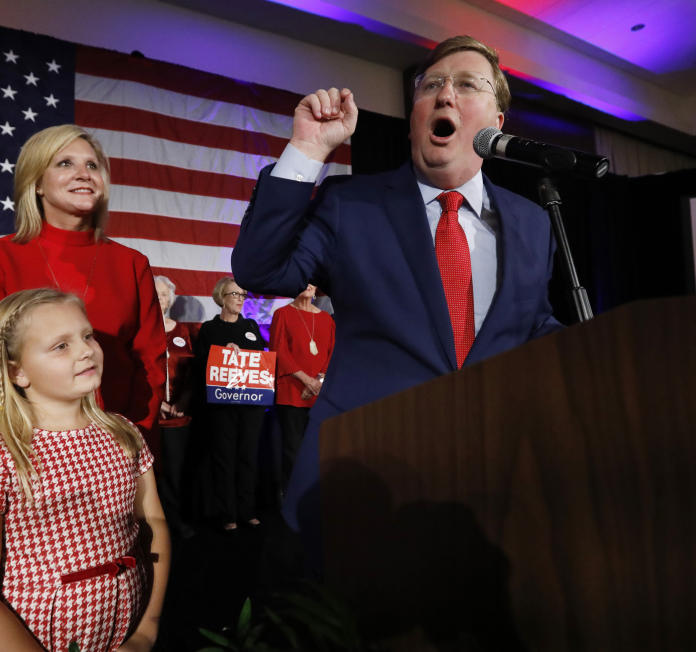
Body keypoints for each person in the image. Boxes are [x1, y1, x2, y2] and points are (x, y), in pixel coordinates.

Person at [232, 36, 562, 557]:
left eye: (466, 85)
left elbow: (532, 325)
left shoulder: (533, 221)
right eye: (431, 85)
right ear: (414, 117)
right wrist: (309, 151)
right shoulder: (350, 203)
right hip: (363, 474)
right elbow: (260, 268)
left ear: (498, 123)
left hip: (489, 479)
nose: (445, 95)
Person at [0, 288, 169, 651]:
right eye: (60, 346)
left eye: (87, 335)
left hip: (121, 636)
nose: (85, 350)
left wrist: (145, 633)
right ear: (17, 372)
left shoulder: (124, 434)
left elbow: (153, 524)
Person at [0, 125, 166, 449]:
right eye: (65, 163)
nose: (83, 174)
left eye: (92, 165)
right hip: (26, 446)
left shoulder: (132, 263)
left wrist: (135, 436)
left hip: (117, 445)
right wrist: (12, 442)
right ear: (37, 182)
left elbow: (150, 363)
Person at [193, 277, 268, 531]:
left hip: (250, 405)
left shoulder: (251, 326)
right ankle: (228, 514)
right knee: (224, 458)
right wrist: (223, 353)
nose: (239, 298)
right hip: (222, 405)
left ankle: (247, 510)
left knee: (248, 456)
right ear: (221, 297)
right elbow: (200, 364)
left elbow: (260, 360)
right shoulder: (209, 329)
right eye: (234, 294)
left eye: (242, 294)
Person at [268, 284, 335, 494]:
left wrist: (319, 380)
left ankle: (316, 496)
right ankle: (291, 498)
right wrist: (307, 380)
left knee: (319, 449)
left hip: (320, 394)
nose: (307, 285)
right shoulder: (283, 314)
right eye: (302, 281)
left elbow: (332, 353)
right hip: (292, 392)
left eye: (311, 282)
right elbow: (278, 350)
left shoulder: (326, 318)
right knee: (292, 450)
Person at [153, 274, 198, 540]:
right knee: (152, 474)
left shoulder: (183, 332)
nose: (161, 299)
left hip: (179, 416)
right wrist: (155, 403)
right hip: (151, 416)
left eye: (165, 294)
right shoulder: (141, 330)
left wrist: (183, 401)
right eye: (156, 294)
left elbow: (193, 372)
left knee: (177, 472)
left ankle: (175, 521)